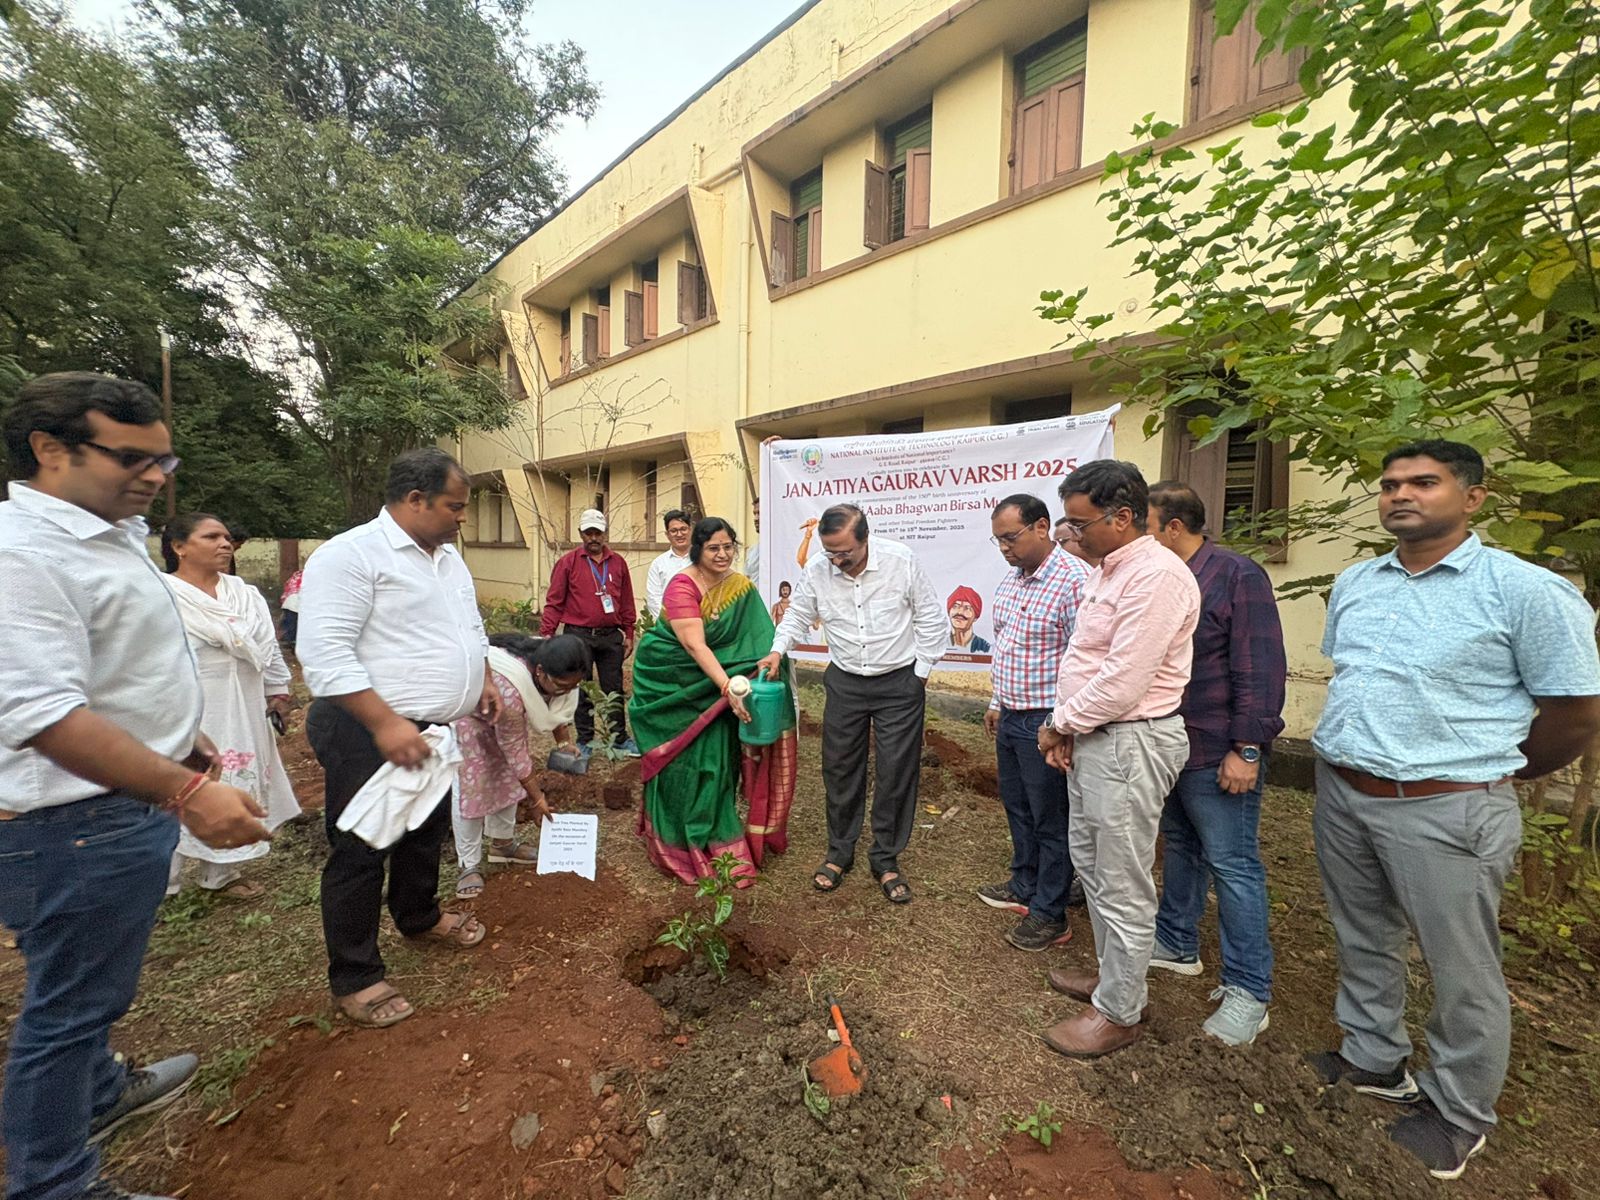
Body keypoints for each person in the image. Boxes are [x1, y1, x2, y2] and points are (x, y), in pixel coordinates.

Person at [0, 372, 269, 1200]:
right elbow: (44, 714)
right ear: (51, 450)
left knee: (94, 988)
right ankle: (54, 1183)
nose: (156, 476)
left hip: (116, 809)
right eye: (133, 458)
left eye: (164, 459)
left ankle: (101, 1094)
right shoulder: (22, 554)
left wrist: (179, 738)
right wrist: (185, 793)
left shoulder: (106, 530)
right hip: (69, 822)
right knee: (69, 1007)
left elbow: (116, 660)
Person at [1309, 440, 1600, 1181]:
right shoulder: (1358, 582)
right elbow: (1361, 675)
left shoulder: (1525, 590)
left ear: (1472, 497)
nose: (1401, 494)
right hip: (1346, 792)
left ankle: (1458, 1111)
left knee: (1462, 968)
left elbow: (1573, 712)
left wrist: (1483, 772)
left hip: (1447, 808)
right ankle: (1374, 1059)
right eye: (1391, 484)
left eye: (1424, 482)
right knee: (1362, 935)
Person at [298, 448, 494, 1030]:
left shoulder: (449, 559)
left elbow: (471, 626)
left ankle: (419, 916)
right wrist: (387, 725)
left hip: (434, 731)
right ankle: (355, 974)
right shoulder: (351, 555)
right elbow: (325, 655)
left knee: (424, 833)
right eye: (455, 507)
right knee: (362, 850)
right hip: (368, 730)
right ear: (415, 500)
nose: (463, 518)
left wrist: (478, 677)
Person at [1035, 460, 1199, 1058]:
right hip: (1097, 740)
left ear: (1123, 517)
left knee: (1122, 878)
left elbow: (1123, 681)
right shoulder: (1110, 570)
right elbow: (1088, 660)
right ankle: (1113, 978)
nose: (1070, 536)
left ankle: (1121, 1012)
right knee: (1093, 861)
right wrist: (1073, 733)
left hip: (1130, 741)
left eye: (1079, 524)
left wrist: (1058, 726)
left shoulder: (1155, 577)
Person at [1144, 481, 1286, 1046]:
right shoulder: (1165, 578)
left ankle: (1249, 990)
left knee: (1233, 863)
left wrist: (1247, 749)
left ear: (1173, 527)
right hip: (1174, 743)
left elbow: (1261, 667)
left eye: (1147, 526)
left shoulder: (1235, 575)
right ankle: (1177, 941)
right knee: (1181, 846)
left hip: (1219, 747)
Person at [758, 504, 945, 905]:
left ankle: (885, 857)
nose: (839, 561)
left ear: (865, 538)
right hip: (844, 681)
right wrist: (777, 650)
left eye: (846, 553)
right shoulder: (818, 570)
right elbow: (797, 617)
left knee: (896, 770)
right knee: (840, 767)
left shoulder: (900, 561)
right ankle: (840, 852)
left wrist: (921, 673)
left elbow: (931, 618)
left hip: (899, 681)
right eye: (831, 553)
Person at [632, 517, 799, 885]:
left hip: (720, 685)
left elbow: (759, 638)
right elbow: (694, 645)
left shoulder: (740, 587)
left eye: (728, 547)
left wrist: (762, 669)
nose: (722, 554)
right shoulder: (682, 585)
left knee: (718, 763)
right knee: (681, 767)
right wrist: (729, 688)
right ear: (698, 550)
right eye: (713, 548)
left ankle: (717, 837)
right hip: (672, 684)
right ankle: (675, 840)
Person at [162, 513, 302, 901]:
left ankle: (220, 873)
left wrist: (279, 691)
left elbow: (268, 648)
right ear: (179, 547)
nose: (225, 544)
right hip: (189, 704)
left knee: (237, 777)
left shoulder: (244, 593)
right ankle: (164, 882)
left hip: (244, 699)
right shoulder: (160, 594)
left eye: (226, 536)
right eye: (211, 537)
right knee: (179, 783)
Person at [981, 494, 1090, 951]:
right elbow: (1006, 646)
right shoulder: (1013, 581)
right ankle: (1023, 884)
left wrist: (1062, 727)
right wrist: (994, 699)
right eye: (998, 540)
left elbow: (1084, 660)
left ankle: (1051, 913)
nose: (1004, 548)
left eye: (1011, 537)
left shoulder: (1073, 581)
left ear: (1042, 527)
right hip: (1011, 716)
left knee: (1052, 820)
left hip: (1046, 723)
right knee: (1018, 808)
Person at [451, 633, 589, 900]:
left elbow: (555, 703)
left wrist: (563, 742)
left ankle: (503, 846)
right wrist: (538, 799)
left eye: (573, 687)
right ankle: (468, 865)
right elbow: (515, 751)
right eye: (561, 685)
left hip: (505, 723)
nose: (567, 691)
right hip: (473, 723)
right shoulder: (511, 689)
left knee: (508, 779)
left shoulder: (550, 664)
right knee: (473, 788)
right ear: (540, 673)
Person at [539, 508, 639, 757]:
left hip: (610, 636)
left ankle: (619, 738)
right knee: (580, 687)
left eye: (598, 532)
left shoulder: (618, 563)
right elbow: (554, 601)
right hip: (577, 635)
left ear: (605, 533)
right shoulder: (568, 563)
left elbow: (626, 600)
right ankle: (585, 738)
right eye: (588, 533)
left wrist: (629, 632)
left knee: (613, 687)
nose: (593, 538)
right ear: (581, 534)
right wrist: (546, 636)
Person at [645, 508, 693, 619]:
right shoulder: (659, 564)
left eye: (683, 529)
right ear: (667, 534)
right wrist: (669, 624)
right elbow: (654, 599)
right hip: (669, 626)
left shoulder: (702, 559)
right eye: (674, 531)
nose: (679, 534)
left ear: (690, 530)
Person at [946, 586, 991, 653]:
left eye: (967, 608)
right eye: (955, 606)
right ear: (949, 612)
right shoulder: (938, 645)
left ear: (975, 617)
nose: (960, 612)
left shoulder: (984, 647)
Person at [279, 567, 304, 647]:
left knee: (290, 623)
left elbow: (287, 589)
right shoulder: (308, 577)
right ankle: (293, 641)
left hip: (288, 602)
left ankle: (289, 639)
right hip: (298, 604)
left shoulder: (296, 576)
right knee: (296, 624)